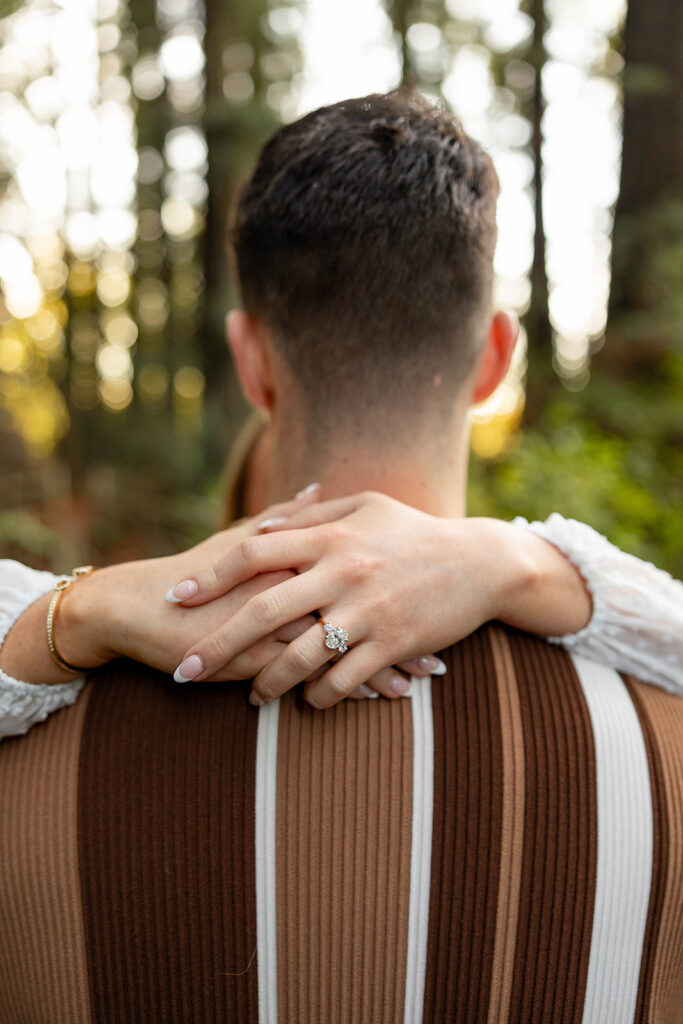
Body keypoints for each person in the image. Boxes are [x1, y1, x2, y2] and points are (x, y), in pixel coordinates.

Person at [0, 91, 681, 1024]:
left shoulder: (33, 740)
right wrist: (538, 567)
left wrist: (66, 616)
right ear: (493, 360)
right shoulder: (659, 747)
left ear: (252, 362)